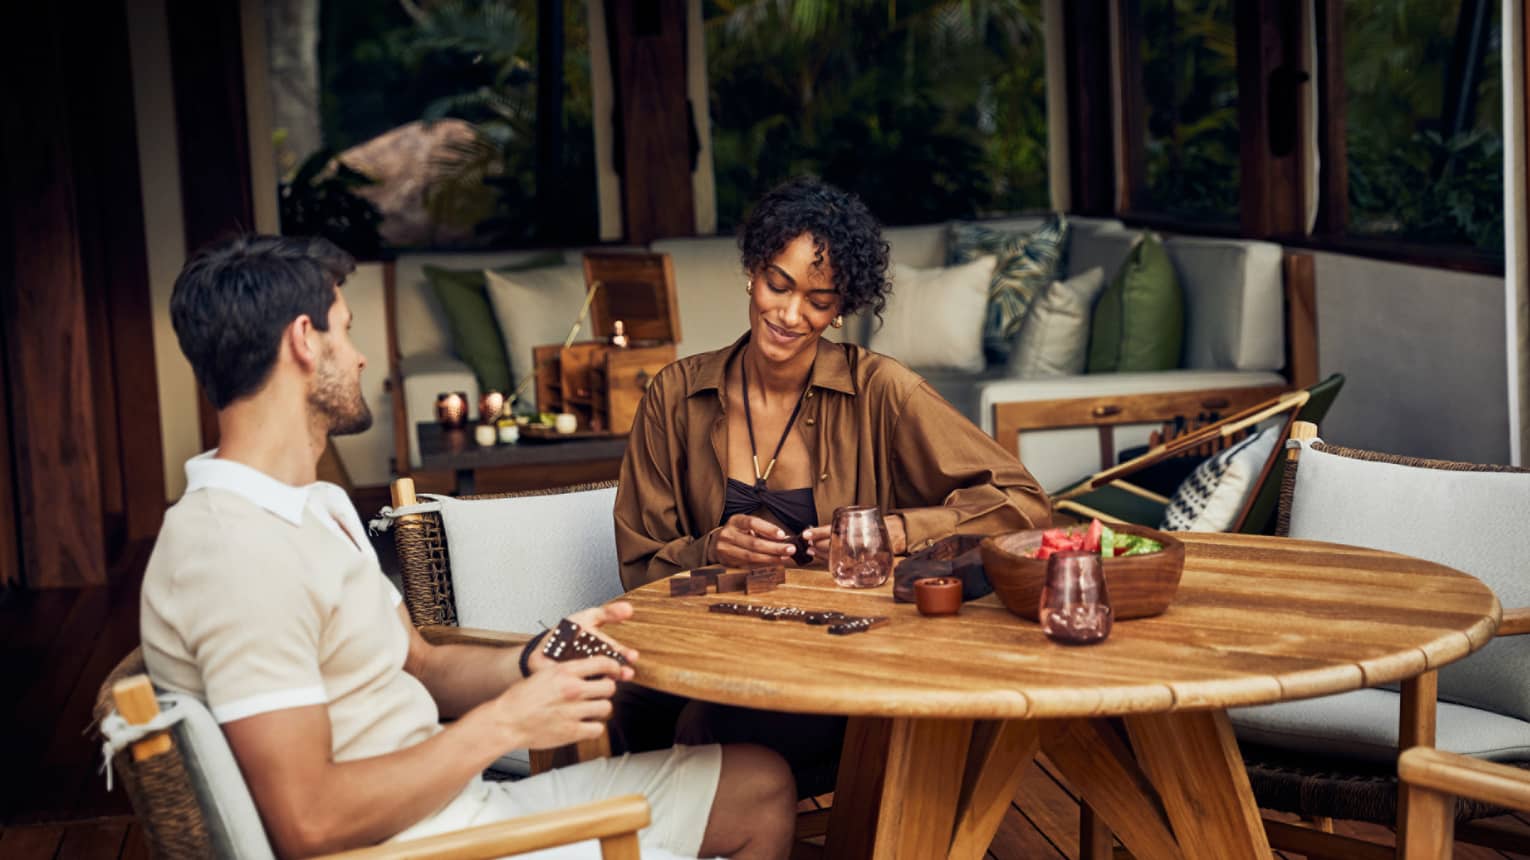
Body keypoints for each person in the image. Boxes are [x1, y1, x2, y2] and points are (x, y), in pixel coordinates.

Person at [141, 235, 796, 859]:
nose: (360, 355)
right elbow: (309, 824)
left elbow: (421, 666)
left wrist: (536, 660)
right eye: (345, 328)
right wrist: (509, 724)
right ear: (304, 341)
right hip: (420, 847)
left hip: (455, 808)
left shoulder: (314, 504)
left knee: (759, 788)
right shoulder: (235, 553)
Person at [611, 177, 1051, 794]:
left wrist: (895, 534)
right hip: (705, 649)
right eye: (778, 285)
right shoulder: (676, 396)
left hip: (839, 663)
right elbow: (639, 565)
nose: (791, 316)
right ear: (752, 272)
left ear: (842, 307)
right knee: (604, 704)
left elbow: (1026, 506)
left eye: (819, 301)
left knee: (703, 728)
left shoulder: (881, 391)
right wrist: (712, 549)